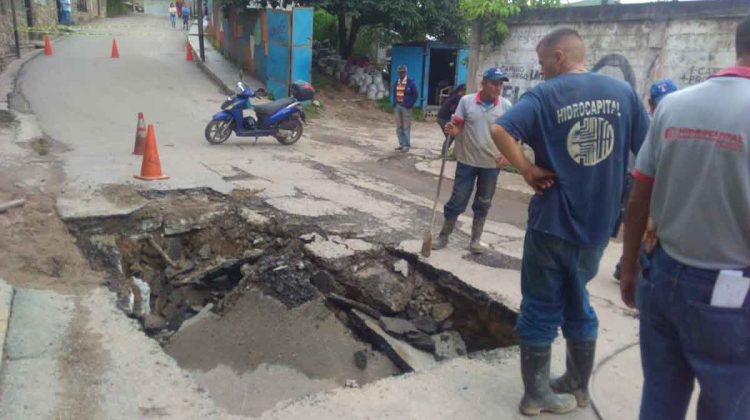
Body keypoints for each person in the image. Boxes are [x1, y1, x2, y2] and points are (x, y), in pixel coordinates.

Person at [490, 28, 649, 416]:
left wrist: (526, 169)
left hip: (550, 222)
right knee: (580, 301)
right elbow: (648, 157)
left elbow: (499, 129)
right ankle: (577, 385)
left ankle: (536, 394)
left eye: (544, 62)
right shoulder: (624, 94)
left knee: (540, 305)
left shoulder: (544, 95)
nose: (541, 70)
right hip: (597, 227)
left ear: (559, 57)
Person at [621, 14, 750, 420]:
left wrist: (628, 267)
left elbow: (638, 197)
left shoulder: (675, 105)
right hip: (730, 289)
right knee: (729, 403)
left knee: (660, 395)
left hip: (663, 276)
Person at [434, 70, 512, 254]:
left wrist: (507, 156)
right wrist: (452, 130)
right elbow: (458, 126)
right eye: (494, 83)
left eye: (500, 84)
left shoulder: (506, 106)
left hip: (491, 163)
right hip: (467, 160)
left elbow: (512, 133)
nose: (497, 88)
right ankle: (443, 236)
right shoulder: (466, 101)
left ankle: (475, 240)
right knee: (458, 199)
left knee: (484, 202)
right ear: (483, 83)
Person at [612, 78, 677, 280]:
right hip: (636, 179)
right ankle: (627, 266)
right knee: (639, 224)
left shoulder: (668, 123)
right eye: (659, 104)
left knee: (642, 226)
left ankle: (625, 265)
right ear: (651, 104)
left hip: (649, 181)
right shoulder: (650, 123)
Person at [393, 65, 418, 153]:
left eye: (403, 72)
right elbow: (394, 93)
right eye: (400, 72)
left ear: (406, 72)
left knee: (406, 127)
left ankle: (406, 145)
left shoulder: (411, 83)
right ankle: (401, 144)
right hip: (398, 106)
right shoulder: (397, 82)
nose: (401, 74)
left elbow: (415, 95)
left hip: (406, 107)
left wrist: (409, 104)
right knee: (399, 126)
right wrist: (395, 103)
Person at [437, 84, 466, 159]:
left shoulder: (453, 96)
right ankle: (444, 154)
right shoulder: (458, 98)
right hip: (444, 118)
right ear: (462, 91)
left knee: (450, 136)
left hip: (441, 117)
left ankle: (446, 153)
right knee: (451, 136)